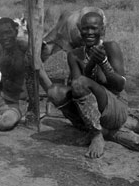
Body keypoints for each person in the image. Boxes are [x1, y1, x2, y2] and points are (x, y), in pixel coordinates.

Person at [46, 11, 130, 158]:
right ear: (79, 29)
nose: (89, 32)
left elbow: (120, 86)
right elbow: (77, 87)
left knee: (81, 83)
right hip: (90, 111)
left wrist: (104, 64)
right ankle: (95, 130)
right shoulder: (74, 54)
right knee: (55, 91)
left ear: (102, 30)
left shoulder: (111, 48)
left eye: (94, 28)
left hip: (115, 108)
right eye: (85, 28)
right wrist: (90, 64)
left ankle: (96, 134)